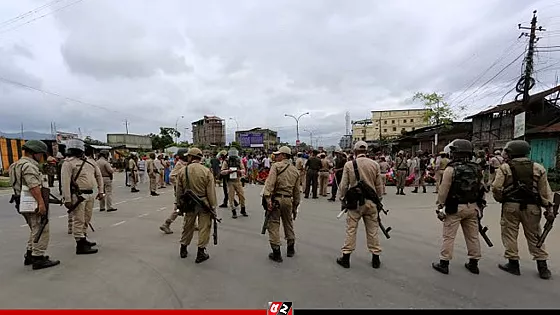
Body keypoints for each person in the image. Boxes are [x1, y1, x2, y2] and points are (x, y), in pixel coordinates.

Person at [491, 140, 554, 279]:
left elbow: (496, 187)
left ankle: (513, 264)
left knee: (509, 234)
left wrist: (500, 198)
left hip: (510, 206)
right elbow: (545, 191)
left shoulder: (505, 168)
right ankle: (542, 267)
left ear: (511, 152)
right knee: (535, 235)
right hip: (532, 207)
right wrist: (548, 208)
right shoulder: (538, 167)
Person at [432, 139, 483, 275]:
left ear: (455, 152)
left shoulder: (451, 169)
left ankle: (444, 263)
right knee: (473, 236)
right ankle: (474, 263)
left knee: (449, 236)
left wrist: (440, 205)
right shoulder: (477, 168)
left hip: (454, 207)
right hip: (473, 207)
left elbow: (444, 190)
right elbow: (481, 188)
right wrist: (480, 207)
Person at [9, 140, 61, 270]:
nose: (41, 157)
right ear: (35, 153)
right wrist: (41, 203)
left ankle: (30, 254)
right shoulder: (29, 166)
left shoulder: (15, 165)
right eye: (40, 154)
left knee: (34, 228)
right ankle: (38, 257)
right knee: (42, 228)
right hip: (31, 201)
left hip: (20, 201)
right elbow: (33, 187)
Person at [335, 141, 384, 269]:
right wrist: (379, 199)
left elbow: (344, 185)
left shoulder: (349, 165)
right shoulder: (374, 164)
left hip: (355, 203)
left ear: (355, 152)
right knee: (373, 230)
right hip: (371, 202)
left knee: (351, 230)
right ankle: (376, 258)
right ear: (366, 151)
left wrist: (342, 199)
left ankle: (346, 258)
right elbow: (379, 185)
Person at [61, 139, 103, 255]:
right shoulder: (68, 163)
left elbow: (98, 176)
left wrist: (100, 191)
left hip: (89, 194)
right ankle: (80, 244)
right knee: (79, 220)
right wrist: (67, 199)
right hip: (78, 195)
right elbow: (65, 182)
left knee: (87, 218)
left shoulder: (89, 162)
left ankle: (83, 238)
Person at [175, 147, 217, 263]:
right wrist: (213, 207)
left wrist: (178, 204)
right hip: (204, 204)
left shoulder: (183, 171)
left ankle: (183, 248)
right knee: (204, 228)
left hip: (189, 204)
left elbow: (179, 191)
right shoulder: (206, 171)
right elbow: (211, 192)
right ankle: (200, 252)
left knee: (188, 226)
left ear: (190, 157)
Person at [262, 146, 301, 262]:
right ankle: (290, 248)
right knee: (288, 223)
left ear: (283, 155)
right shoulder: (295, 170)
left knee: (273, 224)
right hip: (288, 200)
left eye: (278, 154)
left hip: (276, 200)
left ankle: (276, 252)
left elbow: (269, 184)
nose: (276, 156)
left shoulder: (276, 166)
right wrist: (295, 207)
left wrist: (268, 199)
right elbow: (297, 192)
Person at [160, 148, 192, 234]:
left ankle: (193, 224)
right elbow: (171, 176)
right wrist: (180, 184)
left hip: (186, 191)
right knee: (178, 208)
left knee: (189, 207)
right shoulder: (179, 164)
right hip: (181, 191)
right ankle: (166, 224)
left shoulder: (185, 164)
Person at [220, 148, 247, 218]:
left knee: (242, 196)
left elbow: (244, 170)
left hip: (238, 180)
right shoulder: (226, 162)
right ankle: (233, 211)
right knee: (231, 197)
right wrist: (228, 171)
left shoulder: (239, 160)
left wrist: (239, 171)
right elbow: (222, 171)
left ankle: (243, 209)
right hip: (230, 181)